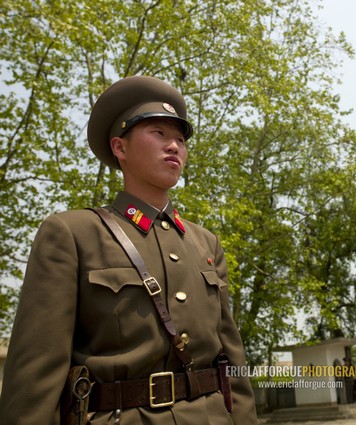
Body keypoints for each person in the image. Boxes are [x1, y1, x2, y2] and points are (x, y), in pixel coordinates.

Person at [0, 75, 258, 424]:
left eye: (180, 139)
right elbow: (36, 373)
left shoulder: (205, 242)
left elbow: (231, 360)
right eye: (159, 134)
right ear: (120, 148)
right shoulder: (73, 234)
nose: (174, 147)